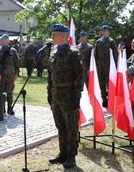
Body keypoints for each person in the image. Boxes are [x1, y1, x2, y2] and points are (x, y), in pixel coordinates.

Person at [47, 24, 84, 169]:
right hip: (56, 95)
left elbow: (80, 75)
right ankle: (62, 154)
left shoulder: (74, 53)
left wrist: (77, 95)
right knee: (60, 126)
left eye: (55, 34)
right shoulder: (53, 52)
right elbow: (50, 74)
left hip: (69, 95)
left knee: (71, 127)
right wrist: (49, 92)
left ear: (64, 36)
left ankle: (71, 157)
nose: (52, 37)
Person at [0, 34, 20, 115]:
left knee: (10, 92)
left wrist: (16, 74)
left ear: (8, 41)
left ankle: (10, 108)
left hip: (10, 76)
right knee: (1, 92)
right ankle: (2, 108)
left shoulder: (13, 51)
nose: (5, 41)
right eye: (3, 40)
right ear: (1, 41)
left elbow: (17, 64)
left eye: (6, 40)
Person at [94, 25, 117, 107]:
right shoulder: (98, 41)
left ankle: (111, 99)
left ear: (108, 32)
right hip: (100, 65)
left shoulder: (112, 42)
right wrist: (96, 65)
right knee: (101, 83)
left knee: (109, 83)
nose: (104, 32)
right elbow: (95, 54)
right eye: (103, 31)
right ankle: (104, 99)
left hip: (109, 65)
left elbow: (115, 55)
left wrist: (115, 66)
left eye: (106, 30)